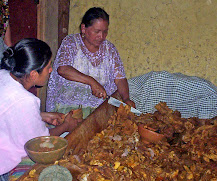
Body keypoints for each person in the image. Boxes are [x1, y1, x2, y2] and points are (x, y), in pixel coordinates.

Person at [0, 38, 81, 180]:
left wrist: (42, 115)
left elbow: (8, 111)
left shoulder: (3, 74)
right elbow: (39, 143)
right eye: (48, 66)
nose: (51, 70)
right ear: (33, 75)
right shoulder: (26, 101)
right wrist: (66, 126)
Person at [46, 7, 135, 118]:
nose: (101, 36)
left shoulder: (110, 49)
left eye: (105, 31)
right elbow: (63, 69)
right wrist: (91, 82)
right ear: (83, 28)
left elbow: (120, 78)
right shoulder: (71, 42)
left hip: (99, 108)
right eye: (97, 31)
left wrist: (126, 99)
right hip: (69, 108)